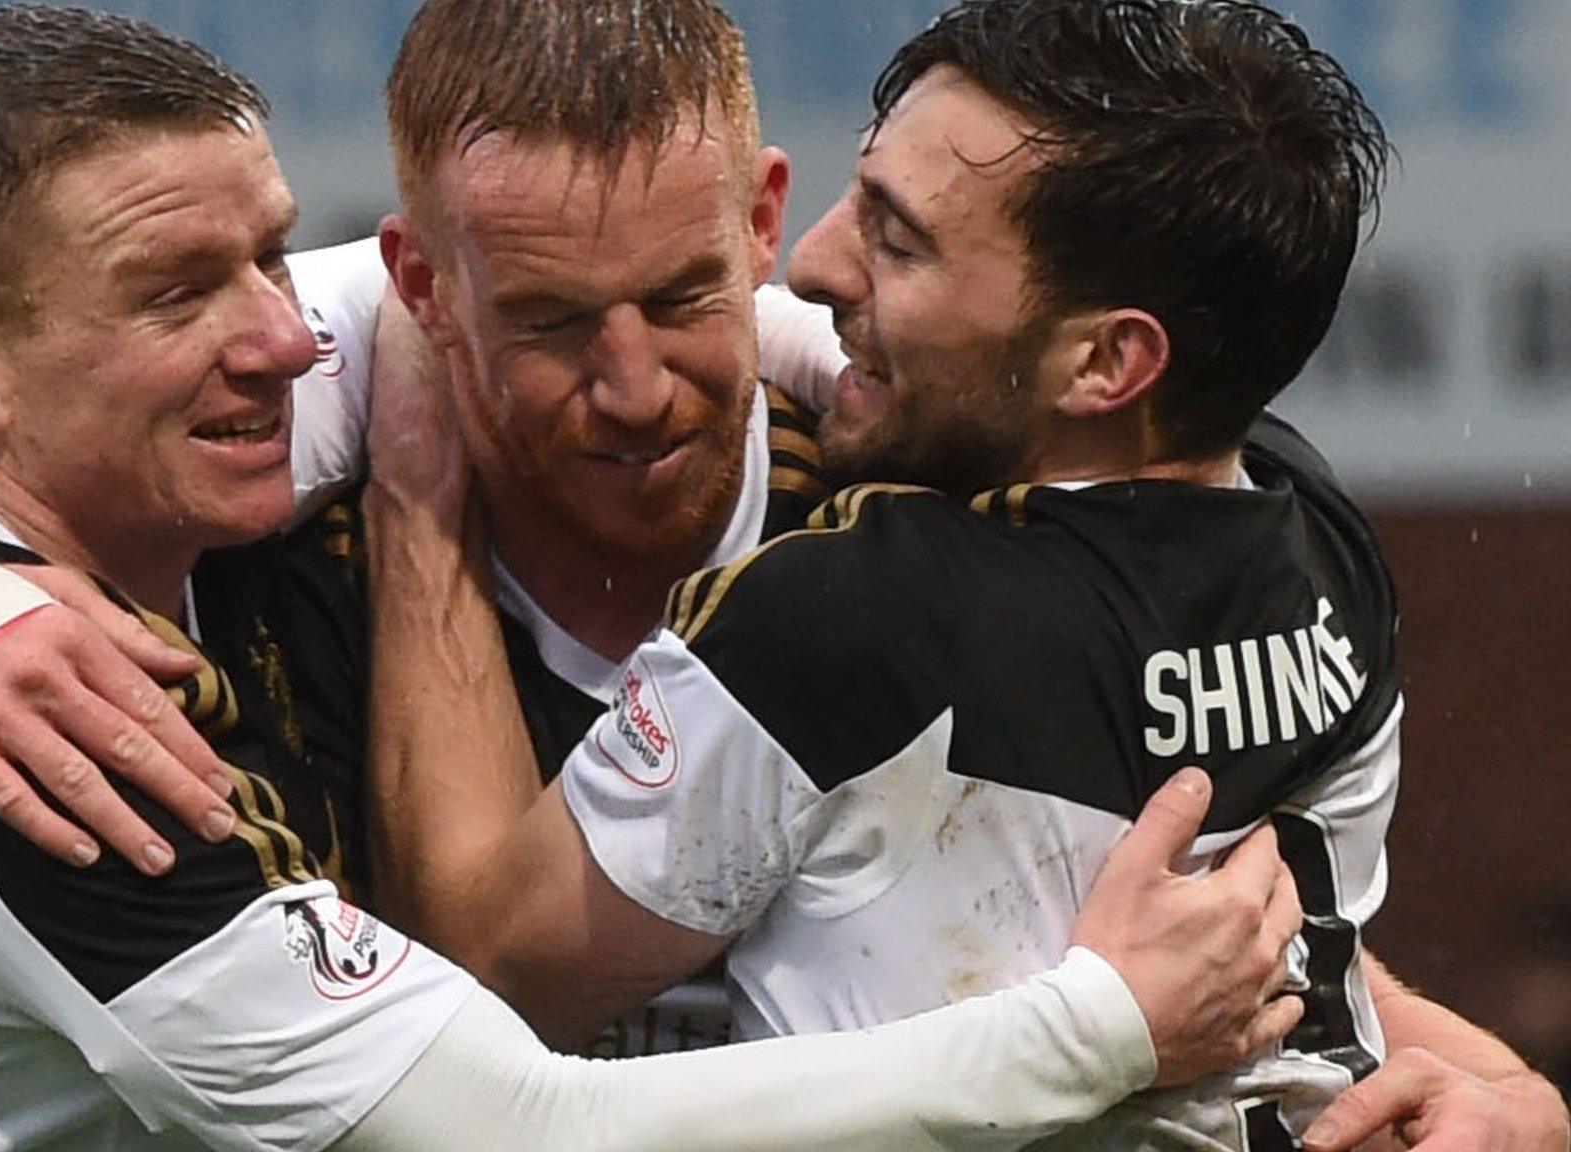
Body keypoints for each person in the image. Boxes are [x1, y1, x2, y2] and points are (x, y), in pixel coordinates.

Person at [0, 0, 1557, 1145]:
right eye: (547, 319)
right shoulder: (242, 455)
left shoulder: (897, 475)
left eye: (689, 292)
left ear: (760, 225)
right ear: (424, 284)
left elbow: (1193, 909)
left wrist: (1503, 1103)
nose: (629, 388)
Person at [355, 0, 1571, 1147]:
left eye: (899, 240)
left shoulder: (847, 616)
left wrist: (416, 513)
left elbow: (492, 978)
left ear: (1103, 364)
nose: (818, 264)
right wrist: (1517, 1091)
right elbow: (1290, 952)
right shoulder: (1308, 527)